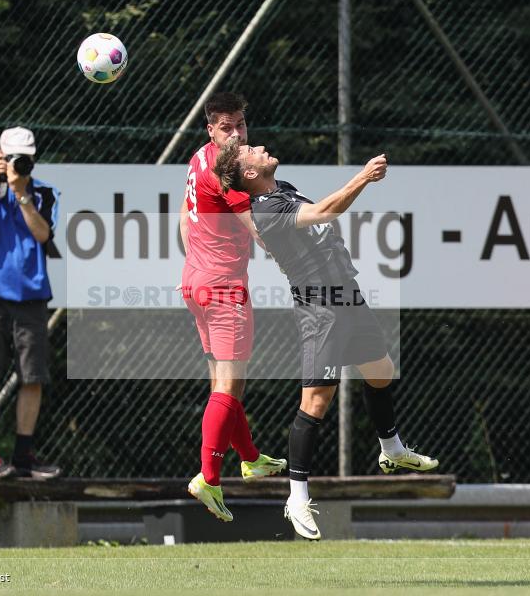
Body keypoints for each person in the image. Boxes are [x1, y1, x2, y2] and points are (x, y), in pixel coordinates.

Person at [213, 139, 439, 539]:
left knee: (381, 371)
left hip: (346, 294)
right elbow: (325, 211)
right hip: (321, 308)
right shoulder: (266, 208)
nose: (262, 147)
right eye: (253, 151)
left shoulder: (280, 189)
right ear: (249, 174)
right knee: (316, 402)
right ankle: (297, 496)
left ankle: (391, 449)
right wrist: (364, 177)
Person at [179, 93, 286, 521]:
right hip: (224, 289)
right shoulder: (229, 174)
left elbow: (184, 222)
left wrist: (199, 265)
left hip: (196, 284)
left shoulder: (199, 158)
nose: (237, 134)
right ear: (211, 129)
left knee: (228, 385)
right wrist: (296, 257)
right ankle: (209, 478)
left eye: (241, 125)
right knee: (227, 387)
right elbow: (256, 228)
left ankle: (251, 457)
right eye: (227, 127)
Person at [0, 126, 61, 480]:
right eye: (11, 158)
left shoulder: (45, 194)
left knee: (32, 377)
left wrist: (22, 195)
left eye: (25, 158)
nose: (18, 164)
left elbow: (42, 233)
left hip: (32, 295)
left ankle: (24, 454)